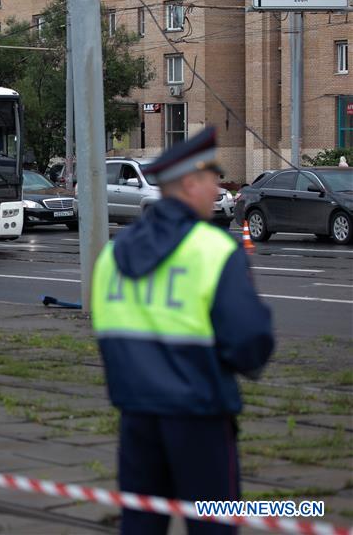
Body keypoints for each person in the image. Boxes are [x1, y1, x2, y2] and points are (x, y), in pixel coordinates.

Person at [91, 126, 274, 535]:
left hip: (136, 416)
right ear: (190, 183)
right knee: (213, 524)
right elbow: (249, 341)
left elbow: (106, 332)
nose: (217, 191)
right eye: (212, 180)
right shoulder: (213, 249)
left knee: (141, 524)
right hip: (200, 417)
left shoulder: (113, 254)